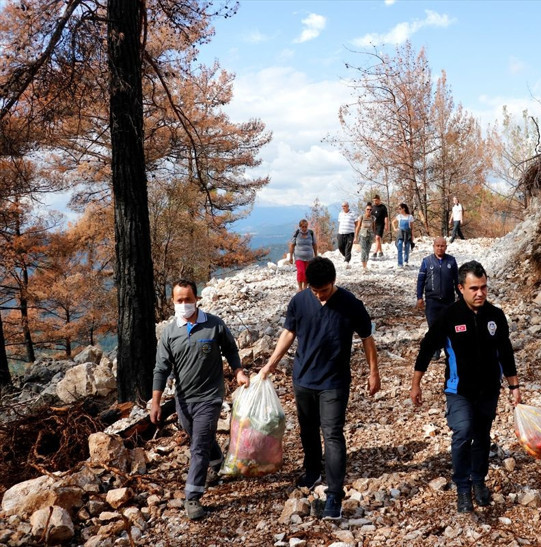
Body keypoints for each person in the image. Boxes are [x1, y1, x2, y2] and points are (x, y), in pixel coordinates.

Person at [259, 257, 380, 520]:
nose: (319, 295)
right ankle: (313, 470)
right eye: (315, 290)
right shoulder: (299, 301)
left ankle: (334, 494)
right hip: (303, 378)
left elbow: (367, 338)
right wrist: (270, 364)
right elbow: (289, 332)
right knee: (308, 429)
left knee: (333, 434)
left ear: (333, 282)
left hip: (334, 382)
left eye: (323, 290)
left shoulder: (350, 304)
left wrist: (374, 372)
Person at [411, 261, 521, 513]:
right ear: (460, 288)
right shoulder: (449, 316)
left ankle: (479, 481)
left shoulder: (495, 315)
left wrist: (514, 385)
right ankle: (462, 487)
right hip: (458, 390)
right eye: (474, 288)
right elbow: (427, 347)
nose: (480, 293)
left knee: (482, 436)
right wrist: (416, 383)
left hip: (489, 389)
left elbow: (505, 351)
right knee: (463, 432)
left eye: (483, 287)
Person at [150, 279, 250, 521]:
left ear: (197, 299)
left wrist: (238, 371)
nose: (184, 304)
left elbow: (230, 349)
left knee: (198, 446)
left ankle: (192, 497)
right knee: (197, 436)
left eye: (188, 299)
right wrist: (155, 402)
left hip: (210, 397)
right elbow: (161, 369)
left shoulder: (214, 324)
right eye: (179, 300)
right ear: (173, 301)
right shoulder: (169, 332)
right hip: (184, 399)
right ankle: (218, 462)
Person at [416, 237, 458, 359]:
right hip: (432, 300)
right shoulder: (427, 261)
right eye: (437, 246)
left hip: (448, 300)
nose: (440, 248)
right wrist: (419, 297)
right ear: (433, 246)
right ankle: (435, 350)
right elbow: (421, 280)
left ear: (446, 247)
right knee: (433, 326)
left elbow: (457, 281)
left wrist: (461, 296)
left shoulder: (451, 261)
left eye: (442, 246)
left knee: (448, 326)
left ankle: (449, 350)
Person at [290, 219, 317, 291]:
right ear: (300, 226)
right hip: (299, 257)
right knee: (300, 271)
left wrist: (316, 255)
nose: (304, 228)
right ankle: (300, 287)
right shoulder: (297, 234)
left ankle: (305, 287)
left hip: (309, 257)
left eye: (306, 227)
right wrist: (290, 257)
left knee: (307, 272)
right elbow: (292, 245)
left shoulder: (311, 233)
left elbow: (314, 244)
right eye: (303, 227)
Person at [353, 203, 375, 272]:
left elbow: (374, 227)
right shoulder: (361, 217)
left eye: (370, 210)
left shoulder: (373, 218)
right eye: (368, 209)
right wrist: (355, 237)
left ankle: (365, 265)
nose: (369, 211)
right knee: (363, 250)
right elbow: (358, 227)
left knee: (368, 250)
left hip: (370, 235)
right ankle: (364, 267)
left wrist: (374, 235)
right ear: (365, 210)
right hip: (362, 235)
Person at [391, 203, 414, 268]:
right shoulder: (399, 216)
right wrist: (395, 228)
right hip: (400, 233)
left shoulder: (410, 217)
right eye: (398, 209)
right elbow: (393, 222)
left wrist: (412, 235)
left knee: (407, 247)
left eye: (400, 208)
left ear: (404, 208)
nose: (399, 210)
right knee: (400, 245)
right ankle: (400, 263)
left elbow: (412, 227)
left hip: (408, 233)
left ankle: (406, 261)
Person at [337, 202, 357, 269]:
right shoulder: (340, 214)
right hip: (341, 233)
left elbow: (357, 224)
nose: (343, 207)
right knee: (340, 247)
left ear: (348, 206)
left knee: (348, 248)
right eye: (342, 206)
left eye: (345, 206)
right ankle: (347, 257)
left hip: (350, 234)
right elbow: (340, 223)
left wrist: (356, 234)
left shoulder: (353, 213)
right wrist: (338, 233)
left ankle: (346, 261)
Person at [370, 194, 388, 259]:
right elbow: (370, 217)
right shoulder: (372, 207)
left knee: (377, 238)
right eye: (374, 200)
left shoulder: (383, 207)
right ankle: (381, 252)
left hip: (381, 224)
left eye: (376, 200)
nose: (375, 202)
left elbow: (386, 217)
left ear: (379, 200)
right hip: (374, 225)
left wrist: (386, 225)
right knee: (377, 239)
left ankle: (375, 252)